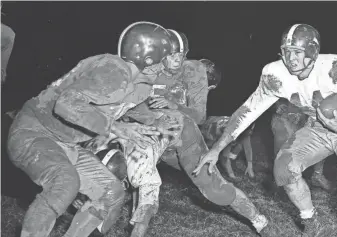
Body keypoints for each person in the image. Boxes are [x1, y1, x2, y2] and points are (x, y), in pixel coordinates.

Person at [193, 23, 337, 237]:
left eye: (297, 52)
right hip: (317, 128)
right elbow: (248, 111)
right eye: (286, 52)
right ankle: (312, 222)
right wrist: (217, 149)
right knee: (284, 169)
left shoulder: (333, 66)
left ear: (312, 51)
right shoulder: (275, 73)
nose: (291, 59)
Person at [7, 21, 174, 237]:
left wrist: (153, 121)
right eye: (163, 61)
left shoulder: (137, 84)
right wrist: (115, 127)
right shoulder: (114, 69)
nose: (165, 68)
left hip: (65, 143)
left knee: (111, 192)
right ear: (148, 60)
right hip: (34, 133)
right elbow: (67, 104)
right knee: (65, 181)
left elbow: (122, 107)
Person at [123, 29, 280, 236]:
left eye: (181, 54)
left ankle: (259, 220)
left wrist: (171, 105)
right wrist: (153, 119)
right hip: (149, 132)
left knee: (214, 188)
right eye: (170, 55)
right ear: (158, 54)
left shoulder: (194, 70)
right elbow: (128, 108)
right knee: (126, 181)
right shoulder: (146, 69)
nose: (177, 60)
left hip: (182, 133)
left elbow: (198, 116)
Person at [198, 58, 256, 179]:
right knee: (206, 148)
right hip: (211, 127)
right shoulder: (230, 130)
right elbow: (224, 155)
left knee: (227, 147)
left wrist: (249, 166)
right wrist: (231, 176)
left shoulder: (244, 130)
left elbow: (247, 147)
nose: (250, 132)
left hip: (220, 126)